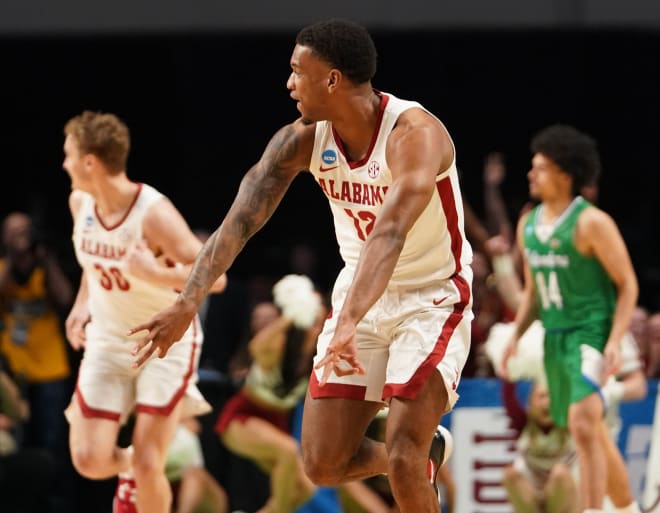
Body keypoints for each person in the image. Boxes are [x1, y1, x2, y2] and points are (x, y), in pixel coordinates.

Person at [129, 19, 471, 513]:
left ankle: (416, 454)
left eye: (296, 71)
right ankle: (429, 452)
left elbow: (390, 234)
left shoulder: (414, 135)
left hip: (431, 297)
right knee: (323, 464)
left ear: (331, 79)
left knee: (402, 458)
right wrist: (187, 301)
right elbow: (239, 222)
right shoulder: (303, 139)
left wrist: (349, 319)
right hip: (360, 290)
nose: (289, 83)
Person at [60, 110, 227, 513]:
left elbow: (216, 278)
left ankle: (143, 471)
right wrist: (81, 306)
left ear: (89, 162)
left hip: (161, 342)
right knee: (89, 459)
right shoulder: (80, 201)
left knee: (154, 461)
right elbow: (92, 264)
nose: (63, 164)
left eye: (68, 155)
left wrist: (154, 273)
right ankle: (130, 468)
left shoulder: (152, 212)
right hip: (108, 340)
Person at [500, 124, 641, 513]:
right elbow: (533, 293)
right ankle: (628, 508)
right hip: (555, 335)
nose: (531, 174)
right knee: (589, 430)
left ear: (565, 174)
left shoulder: (591, 222)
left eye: (541, 167)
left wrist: (613, 340)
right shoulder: (528, 225)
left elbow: (628, 284)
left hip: (590, 332)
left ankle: (593, 509)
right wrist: (517, 332)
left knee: (582, 422)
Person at [216, 274, 323, 513]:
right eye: (312, 318)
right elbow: (256, 347)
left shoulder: (317, 356)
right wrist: (291, 314)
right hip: (243, 418)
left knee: (306, 488)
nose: (317, 325)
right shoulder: (279, 346)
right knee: (287, 450)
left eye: (320, 319)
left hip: (277, 424)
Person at [501, 379, 579, 513]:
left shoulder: (569, 421)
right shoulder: (523, 424)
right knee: (510, 474)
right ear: (531, 402)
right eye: (541, 396)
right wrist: (509, 370)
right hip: (533, 496)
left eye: (551, 396)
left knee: (559, 473)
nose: (546, 403)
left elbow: (577, 390)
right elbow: (508, 397)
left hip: (566, 496)